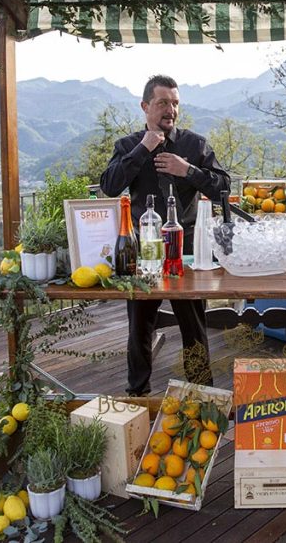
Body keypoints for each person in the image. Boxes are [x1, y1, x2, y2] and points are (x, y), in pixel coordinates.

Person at [100, 75, 231, 396]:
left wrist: (188, 170)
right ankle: (138, 393)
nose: (169, 109)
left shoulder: (194, 146)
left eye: (174, 103)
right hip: (142, 252)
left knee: (194, 325)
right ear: (145, 107)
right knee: (140, 326)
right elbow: (109, 186)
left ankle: (203, 393)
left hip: (185, 252)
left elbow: (224, 188)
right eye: (162, 103)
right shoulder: (128, 145)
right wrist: (142, 150)